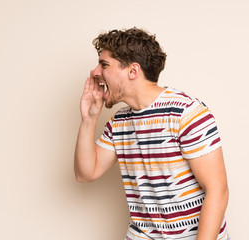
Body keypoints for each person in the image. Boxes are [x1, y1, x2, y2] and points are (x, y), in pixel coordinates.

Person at [74, 27, 230, 240]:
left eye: (104, 64)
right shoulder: (119, 122)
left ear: (132, 71)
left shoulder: (186, 112)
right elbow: (86, 173)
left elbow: (217, 191)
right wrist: (89, 119)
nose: (95, 73)